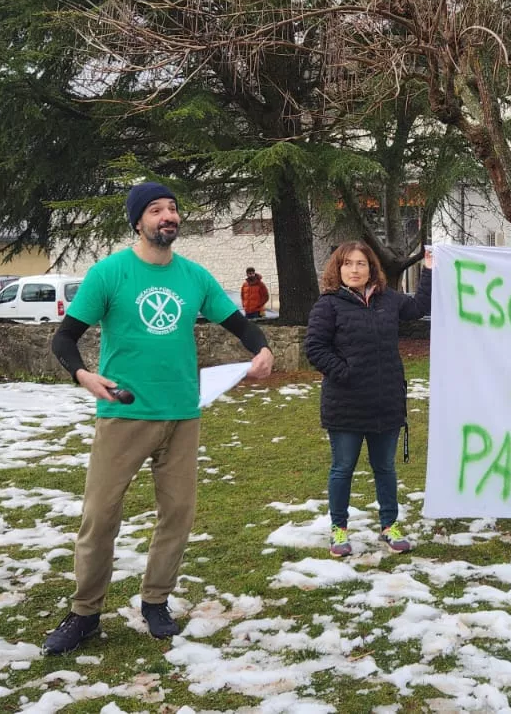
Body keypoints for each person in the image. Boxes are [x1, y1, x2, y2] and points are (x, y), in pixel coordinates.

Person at [44, 182, 275, 654]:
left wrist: (263, 349)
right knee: (100, 516)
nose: (167, 216)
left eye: (172, 208)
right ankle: (85, 612)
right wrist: (84, 376)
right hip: (126, 413)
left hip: (183, 412)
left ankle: (155, 601)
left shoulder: (194, 277)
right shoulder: (110, 274)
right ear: (137, 221)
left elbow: (238, 323)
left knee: (177, 515)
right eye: (156, 210)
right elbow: (63, 340)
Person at [305, 242, 433, 557]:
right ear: (338, 269)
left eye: (361, 263)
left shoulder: (388, 300)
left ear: (371, 268)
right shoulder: (329, 305)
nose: (354, 269)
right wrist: (347, 373)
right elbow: (315, 349)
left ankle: (389, 525)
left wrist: (428, 269)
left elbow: (419, 307)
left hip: (385, 402)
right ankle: (339, 530)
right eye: (348, 264)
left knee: (385, 468)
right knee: (343, 468)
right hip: (345, 404)